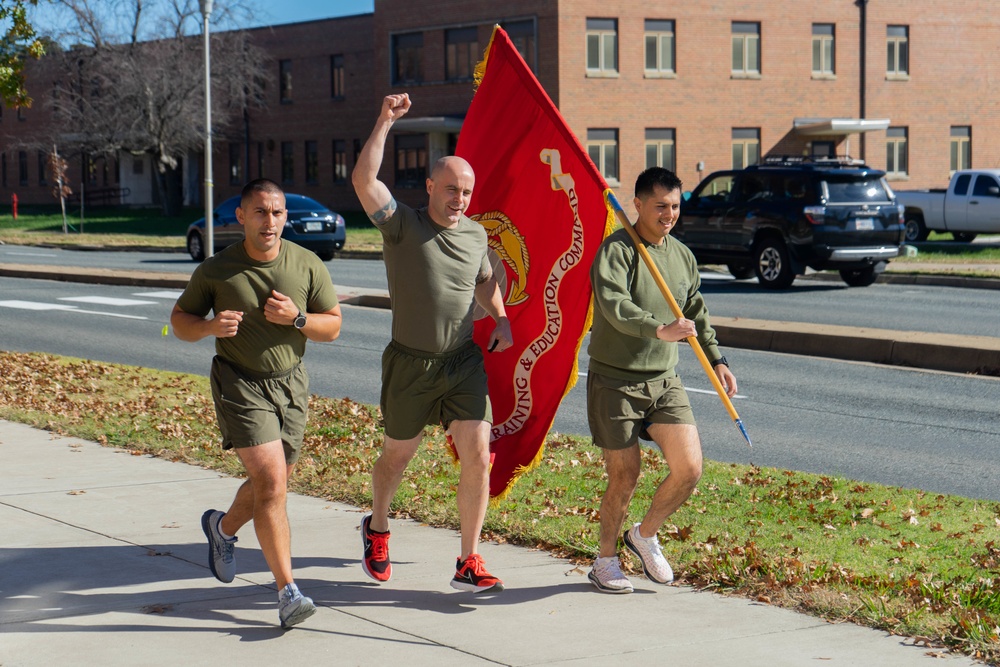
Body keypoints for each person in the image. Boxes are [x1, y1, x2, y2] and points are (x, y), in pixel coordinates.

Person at [351, 93, 513, 593]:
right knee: (397, 456)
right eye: (449, 189)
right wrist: (383, 120)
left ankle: (469, 558)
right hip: (411, 365)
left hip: (462, 361)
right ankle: (376, 527)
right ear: (429, 187)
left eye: (466, 191)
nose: (458, 199)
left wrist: (501, 317)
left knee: (478, 450)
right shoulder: (402, 225)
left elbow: (482, 282)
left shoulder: (476, 236)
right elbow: (363, 181)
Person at [170, 178, 343, 627]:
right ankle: (288, 592)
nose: (270, 221)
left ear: (286, 217)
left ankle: (223, 528)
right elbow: (180, 321)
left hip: (291, 384)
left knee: (275, 484)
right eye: (261, 212)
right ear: (241, 217)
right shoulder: (216, 270)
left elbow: (333, 326)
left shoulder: (306, 264)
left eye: (278, 212)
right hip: (240, 382)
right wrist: (209, 328)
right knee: (270, 481)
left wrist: (299, 318)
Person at [586, 167, 737, 594]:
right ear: (637, 205)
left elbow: (698, 315)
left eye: (675, 207)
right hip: (615, 381)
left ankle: (644, 534)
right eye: (660, 207)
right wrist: (658, 329)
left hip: (663, 380)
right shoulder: (616, 251)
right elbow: (615, 306)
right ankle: (604, 561)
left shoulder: (682, 256)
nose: (669, 215)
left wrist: (717, 359)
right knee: (625, 475)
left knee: (689, 469)